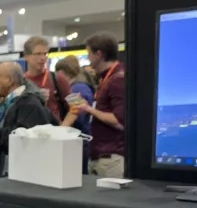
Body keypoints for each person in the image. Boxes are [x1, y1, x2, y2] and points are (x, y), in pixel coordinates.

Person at [0, 61, 52, 174]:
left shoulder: (29, 104)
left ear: (9, 80)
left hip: (16, 175)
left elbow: (19, 140)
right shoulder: (7, 103)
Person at [76, 32, 126, 177]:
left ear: (98, 54)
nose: (87, 58)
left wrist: (89, 110)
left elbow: (119, 121)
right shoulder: (108, 78)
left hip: (111, 157)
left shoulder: (117, 80)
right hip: (101, 155)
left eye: (89, 54)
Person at [56, 55, 95, 174]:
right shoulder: (81, 86)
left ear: (62, 73)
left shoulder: (76, 89)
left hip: (80, 140)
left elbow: (77, 113)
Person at [22, 35, 71, 123]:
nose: (43, 58)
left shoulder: (56, 78)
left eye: (45, 54)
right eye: (38, 54)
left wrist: (64, 127)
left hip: (54, 131)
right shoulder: (21, 81)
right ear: (26, 57)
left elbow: (74, 107)